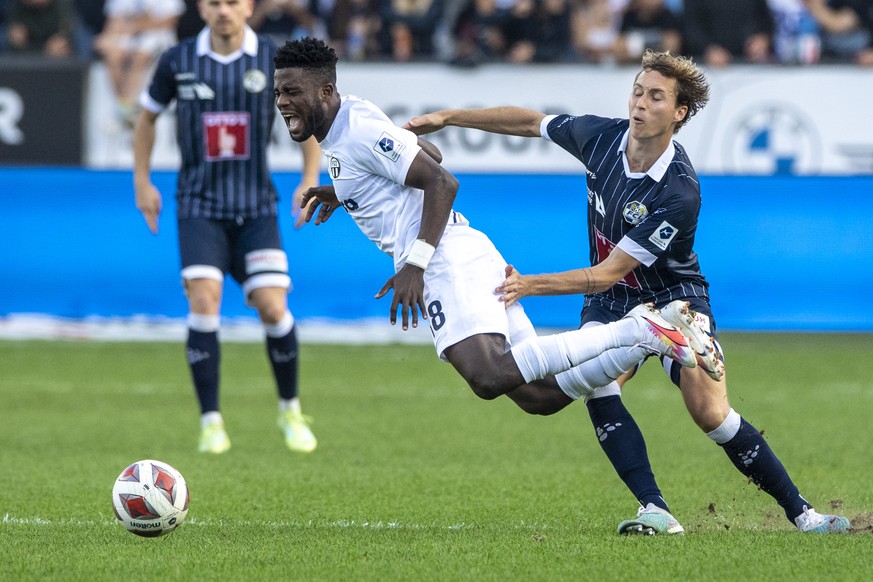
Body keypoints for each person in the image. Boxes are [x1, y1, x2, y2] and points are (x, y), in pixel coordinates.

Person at [403, 50, 851, 535]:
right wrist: (448, 117)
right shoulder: (601, 137)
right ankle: (654, 509)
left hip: (674, 299)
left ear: (679, 113)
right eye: (637, 91)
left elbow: (612, 270)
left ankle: (804, 515)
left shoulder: (678, 191)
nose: (640, 104)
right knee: (600, 385)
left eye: (655, 96)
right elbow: (531, 123)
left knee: (711, 414)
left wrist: (532, 285)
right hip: (613, 303)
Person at [274, 37, 700, 432]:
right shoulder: (350, 118)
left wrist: (414, 265)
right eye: (278, 93)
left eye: (292, 92)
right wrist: (346, 192)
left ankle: (640, 330)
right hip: (453, 249)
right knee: (541, 397)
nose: (282, 102)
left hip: (444, 255)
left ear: (325, 91)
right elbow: (425, 152)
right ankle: (647, 337)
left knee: (487, 375)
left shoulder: (356, 130)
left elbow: (442, 180)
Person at [132, 0, 321, 455]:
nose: (223, 11)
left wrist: (309, 179)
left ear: (248, 7)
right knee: (204, 299)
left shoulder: (273, 59)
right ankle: (211, 422)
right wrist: (142, 182)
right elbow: (146, 118)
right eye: (215, 2)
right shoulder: (177, 60)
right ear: (202, 8)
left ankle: (290, 409)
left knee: (273, 308)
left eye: (232, 2)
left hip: (256, 208)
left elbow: (308, 120)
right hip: (198, 206)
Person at [95, 0, 186, 128]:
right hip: (129, 35)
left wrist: (135, 25)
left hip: (158, 37)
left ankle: (130, 105)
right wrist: (108, 36)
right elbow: (113, 22)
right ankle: (123, 104)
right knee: (113, 54)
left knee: (140, 57)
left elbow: (169, 22)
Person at [5, 0, 75, 58]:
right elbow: (18, 47)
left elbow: (61, 44)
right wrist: (45, 52)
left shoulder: (62, 7)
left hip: (56, 65)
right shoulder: (18, 8)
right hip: (26, 63)